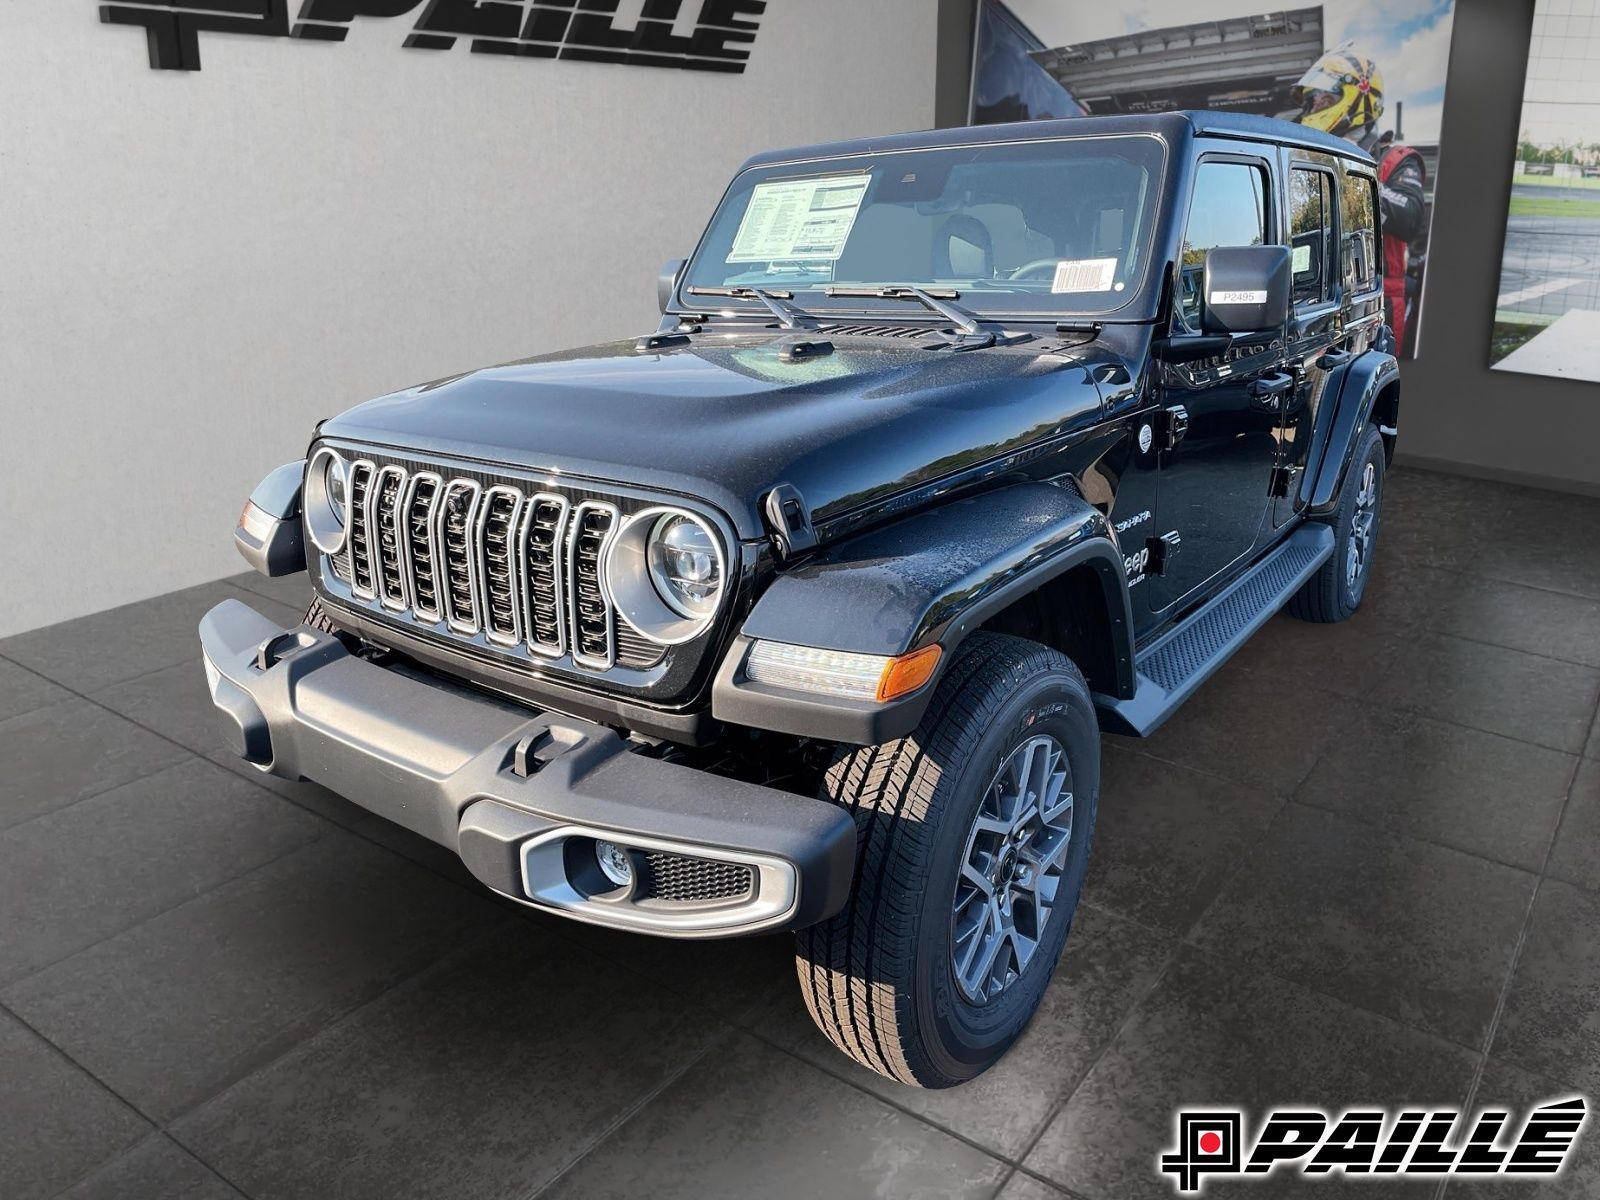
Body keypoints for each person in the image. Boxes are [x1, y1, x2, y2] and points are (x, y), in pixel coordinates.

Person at [1292, 43, 1427, 351]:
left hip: (1378, 301)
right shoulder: (1307, 157)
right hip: (1316, 299)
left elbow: (1410, 218)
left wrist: (1347, 174)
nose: (1313, 108)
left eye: (1322, 98)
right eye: (1311, 101)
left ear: (1357, 97)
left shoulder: (1396, 158)